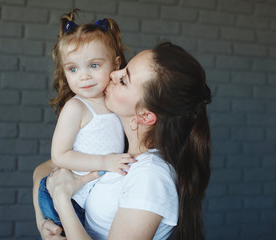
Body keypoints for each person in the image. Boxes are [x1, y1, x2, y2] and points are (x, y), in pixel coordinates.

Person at [33, 41, 212, 240]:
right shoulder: (119, 150)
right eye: (123, 68)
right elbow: (43, 170)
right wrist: (43, 222)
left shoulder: (150, 176)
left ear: (145, 116)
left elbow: (58, 182)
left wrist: (62, 201)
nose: (113, 74)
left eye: (124, 80)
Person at [37, 9, 136, 231]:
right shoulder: (77, 107)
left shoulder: (114, 104)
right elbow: (59, 155)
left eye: (94, 65)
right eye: (73, 68)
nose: (84, 76)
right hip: (69, 197)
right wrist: (105, 162)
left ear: (116, 64)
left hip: (87, 199)